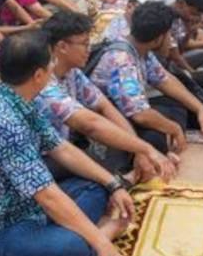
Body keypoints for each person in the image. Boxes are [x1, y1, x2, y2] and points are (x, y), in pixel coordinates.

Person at [0, 30, 134, 256]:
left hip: (27, 208)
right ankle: (101, 233)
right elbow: (47, 196)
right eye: (50, 62)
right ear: (38, 75)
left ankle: (71, 235)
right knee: (78, 249)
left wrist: (113, 184)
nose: (54, 67)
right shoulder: (2, 121)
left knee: (97, 184)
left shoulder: (19, 98)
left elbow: (60, 147)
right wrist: (103, 244)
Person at [36, 12, 177, 182]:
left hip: (66, 147)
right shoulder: (43, 81)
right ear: (62, 47)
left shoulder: (72, 72)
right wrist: (146, 150)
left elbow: (104, 106)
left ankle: (121, 177)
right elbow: (90, 125)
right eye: (84, 44)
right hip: (43, 159)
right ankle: (117, 182)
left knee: (142, 141)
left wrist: (139, 150)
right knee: (98, 182)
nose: (89, 50)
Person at [90, 2, 203, 156]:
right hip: (112, 121)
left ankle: (168, 137)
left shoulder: (141, 49)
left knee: (177, 105)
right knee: (155, 138)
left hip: (129, 111)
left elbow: (165, 80)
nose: (171, 40)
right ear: (158, 39)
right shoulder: (122, 60)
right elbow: (139, 115)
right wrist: (173, 127)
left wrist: (199, 107)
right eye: (169, 35)